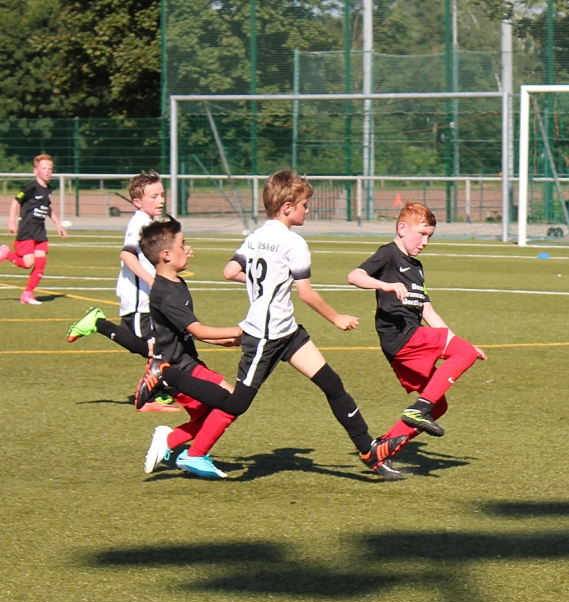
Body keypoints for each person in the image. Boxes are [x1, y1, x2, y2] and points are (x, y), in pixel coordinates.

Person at [137, 168, 407, 479]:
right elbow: (306, 293)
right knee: (236, 403)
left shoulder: (256, 236)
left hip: (287, 332)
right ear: (288, 207)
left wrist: (262, 286)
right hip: (265, 338)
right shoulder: (294, 242)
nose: (308, 210)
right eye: (305, 205)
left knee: (332, 384)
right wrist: (336, 317)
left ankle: (369, 450)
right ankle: (174, 408)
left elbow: (229, 271)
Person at [346, 201, 488, 471]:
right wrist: (385, 285)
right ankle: (418, 408)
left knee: (439, 405)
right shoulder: (388, 253)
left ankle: (380, 451)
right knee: (431, 399)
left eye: (429, 236)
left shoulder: (417, 267)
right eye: (421, 234)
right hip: (401, 336)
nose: (425, 242)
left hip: (407, 340)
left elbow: (428, 311)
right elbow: (354, 276)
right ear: (402, 228)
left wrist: (462, 344)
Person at [137, 217, 244, 478]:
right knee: (233, 400)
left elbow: (186, 333)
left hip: (187, 364)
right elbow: (198, 330)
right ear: (166, 255)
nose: (188, 250)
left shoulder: (177, 284)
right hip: (175, 371)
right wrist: (241, 331)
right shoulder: (166, 293)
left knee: (209, 417)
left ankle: (171, 441)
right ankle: (193, 455)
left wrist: (224, 341)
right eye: (182, 245)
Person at [65, 171, 181, 412]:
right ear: (137, 201)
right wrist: (152, 281)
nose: (160, 200)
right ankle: (153, 395)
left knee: (153, 345)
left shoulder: (150, 223)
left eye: (162, 195)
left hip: (148, 300)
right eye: (154, 196)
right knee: (154, 347)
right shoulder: (139, 224)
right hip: (140, 300)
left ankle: (160, 391)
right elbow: (127, 255)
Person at [0, 154, 67, 304]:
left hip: (40, 232)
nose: (47, 171)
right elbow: (15, 201)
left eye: (50, 169)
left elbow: (47, 207)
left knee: (41, 263)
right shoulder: (31, 187)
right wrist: (11, 222)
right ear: (36, 170)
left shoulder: (48, 189)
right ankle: (6, 253)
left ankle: (27, 294)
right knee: (27, 263)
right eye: (44, 168)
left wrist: (58, 224)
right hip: (27, 230)